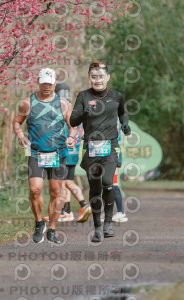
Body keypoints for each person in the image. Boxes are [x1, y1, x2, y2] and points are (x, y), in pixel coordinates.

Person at [13, 68, 77, 243]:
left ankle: (52, 230)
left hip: (58, 152)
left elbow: (73, 125)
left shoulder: (63, 104)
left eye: (50, 83)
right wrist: (20, 135)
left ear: (54, 83)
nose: (47, 86)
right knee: (35, 190)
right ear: (38, 82)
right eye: (44, 83)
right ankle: (39, 222)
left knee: (56, 192)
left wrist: (71, 137)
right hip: (36, 153)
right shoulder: (27, 103)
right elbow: (17, 122)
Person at [70, 62, 131, 243]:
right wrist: (84, 113)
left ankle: (108, 224)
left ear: (108, 77)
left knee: (108, 183)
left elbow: (123, 113)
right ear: (89, 78)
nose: (97, 80)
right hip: (91, 148)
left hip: (110, 147)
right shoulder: (83, 96)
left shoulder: (116, 96)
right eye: (94, 77)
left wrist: (125, 124)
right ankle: (97, 227)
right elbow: (73, 121)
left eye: (101, 76)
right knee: (95, 188)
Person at [55, 83, 92, 223]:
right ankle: (68, 212)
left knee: (62, 183)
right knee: (67, 182)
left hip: (64, 151)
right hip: (74, 152)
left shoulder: (62, 110)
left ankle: (82, 205)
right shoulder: (76, 110)